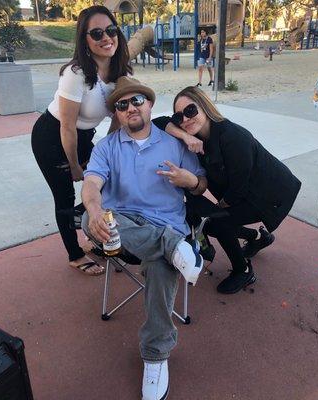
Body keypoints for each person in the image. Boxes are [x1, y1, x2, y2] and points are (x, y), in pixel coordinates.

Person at [81, 77, 207, 400]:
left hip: (166, 221)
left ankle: (155, 356)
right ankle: (176, 248)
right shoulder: (106, 147)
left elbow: (201, 185)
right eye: (122, 105)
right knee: (86, 217)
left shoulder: (174, 143)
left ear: (150, 104)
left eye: (137, 100)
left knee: (162, 267)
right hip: (121, 226)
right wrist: (94, 210)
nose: (131, 108)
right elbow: (92, 186)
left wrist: (189, 179)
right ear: (117, 115)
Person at [153, 86, 301, 294]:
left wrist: (220, 207)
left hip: (270, 194)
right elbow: (157, 123)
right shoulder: (195, 136)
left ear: (204, 107)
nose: (185, 119)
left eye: (191, 111)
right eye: (179, 116)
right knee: (209, 222)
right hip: (242, 192)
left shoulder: (232, 136)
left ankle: (244, 270)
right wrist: (185, 137)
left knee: (219, 223)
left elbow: (237, 189)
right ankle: (257, 238)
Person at [31, 6, 132, 276]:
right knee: (64, 195)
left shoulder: (122, 72)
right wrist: (75, 166)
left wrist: (108, 155)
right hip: (52, 137)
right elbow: (66, 126)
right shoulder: (76, 73)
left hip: (84, 135)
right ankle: (74, 254)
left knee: (106, 183)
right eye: (96, 33)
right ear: (84, 39)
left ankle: (91, 226)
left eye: (111, 30)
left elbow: (116, 120)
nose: (106, 38)